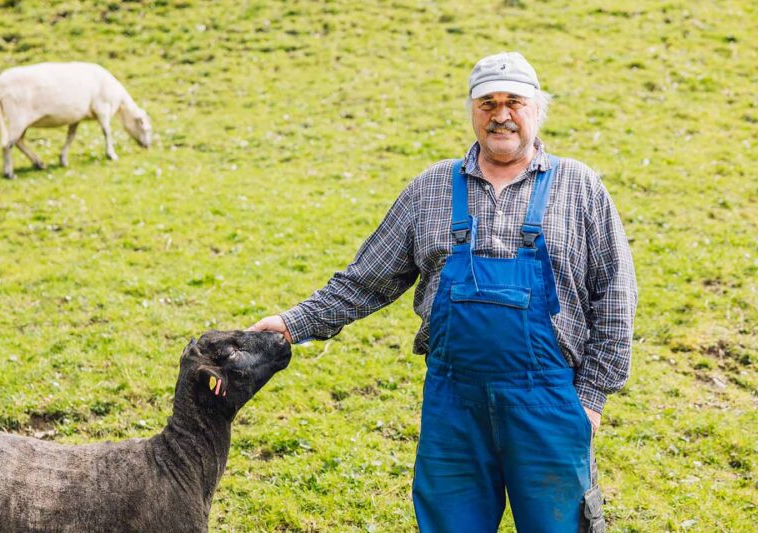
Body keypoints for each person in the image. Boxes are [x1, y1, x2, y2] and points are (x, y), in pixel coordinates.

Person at [250, 51, 637, 532]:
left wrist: (592, 396)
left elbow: (616, 296)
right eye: (487, 103)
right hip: (454, 406)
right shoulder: (430, 188)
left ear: (537, 108)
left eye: (514, 102)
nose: (500, 115)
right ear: (472, 110)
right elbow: (366, 279)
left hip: (549, 407)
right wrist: (292, 324)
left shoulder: (580, 187)